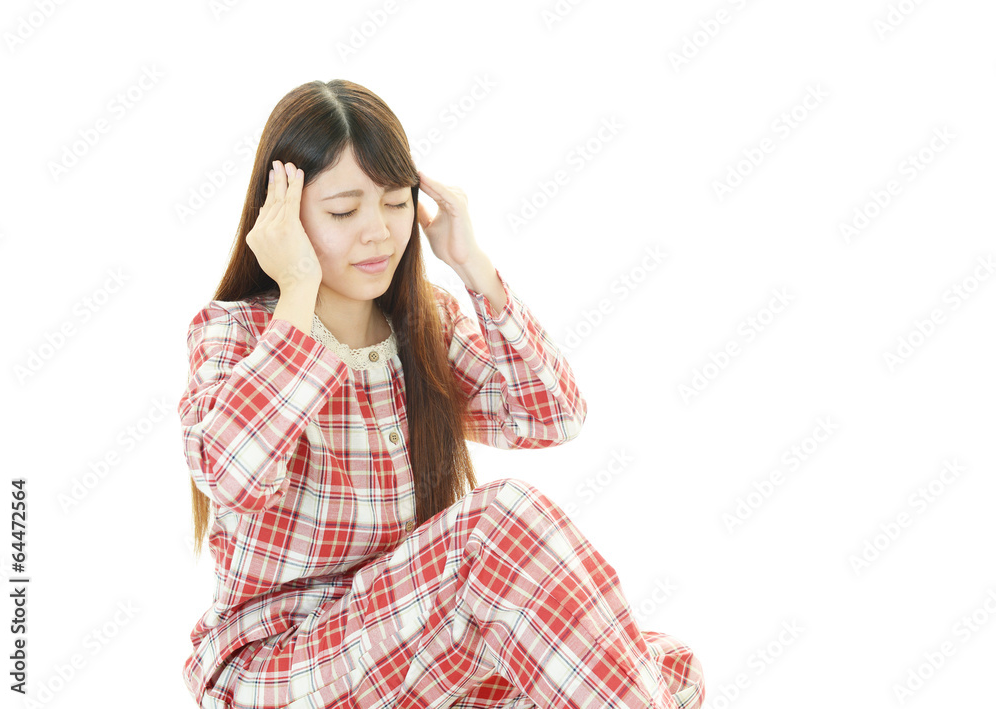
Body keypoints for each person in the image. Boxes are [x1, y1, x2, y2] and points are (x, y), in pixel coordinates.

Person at [178, 78, 705, 709]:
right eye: (344, 212)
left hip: (410, 653)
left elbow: (552, 415)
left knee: (663, 667)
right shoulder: (235, 333)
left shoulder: (427, 328)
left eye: (395, 203)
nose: (378, 232)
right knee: (500, 522)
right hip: (282, 668)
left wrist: (470, 264)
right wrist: (294, 288)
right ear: (282, 218)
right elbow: (231, 475)